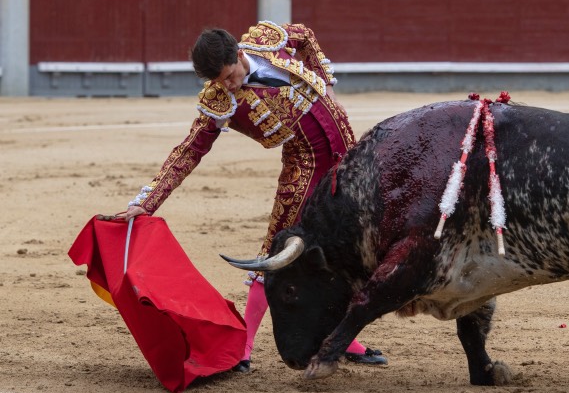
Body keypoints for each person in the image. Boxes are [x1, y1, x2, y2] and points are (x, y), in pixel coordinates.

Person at [122, 22, 386, 373]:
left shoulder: (267, 40)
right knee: (274, 256)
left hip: (348, 161)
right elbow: (190, 151)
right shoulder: (220, 102)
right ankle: (243, 347)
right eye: (220, 82)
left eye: (230, 76)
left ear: (238, 54)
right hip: (304, 172)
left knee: (345, 251)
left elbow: (305, 36)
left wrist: (328, 85)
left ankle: (343, 338)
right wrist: (148, 200)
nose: (228, 86)